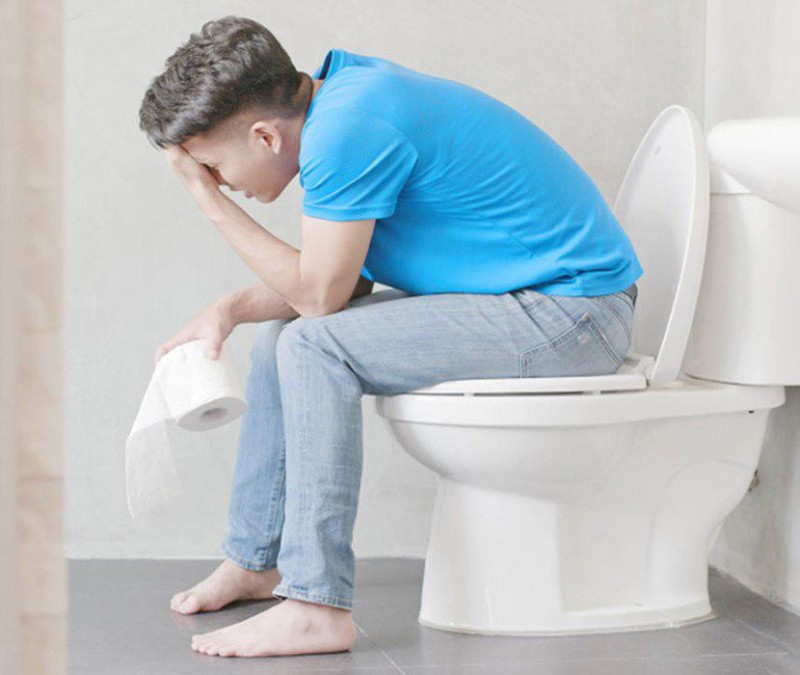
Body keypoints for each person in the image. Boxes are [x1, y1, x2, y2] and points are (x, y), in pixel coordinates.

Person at [138, 15, 642, 659]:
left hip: (575, 316)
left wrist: (208, 203)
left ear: (264, 136)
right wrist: (231, 309)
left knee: (312, 343)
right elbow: (342, 282)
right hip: (531, 300)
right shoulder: (343, 105)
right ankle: (255, 559)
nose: (217, 182)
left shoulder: (347, 130)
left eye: (212, 165)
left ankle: (317, 606)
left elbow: (321, 294)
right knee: (284, 334)